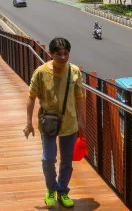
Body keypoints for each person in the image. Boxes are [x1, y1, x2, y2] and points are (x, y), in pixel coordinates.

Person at [24, 37, 85, 208]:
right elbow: (31, 98)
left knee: (66, 161)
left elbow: (80, 97)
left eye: (66, 54)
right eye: (59, 54)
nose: (63, 57)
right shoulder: (41, 72)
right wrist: (28, 123)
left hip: (70, 123)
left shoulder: (74, 72)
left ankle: (63, 191)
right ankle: (51, 188)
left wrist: (81, 119)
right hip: (49, 123)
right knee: (49, 159)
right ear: (51, 54)